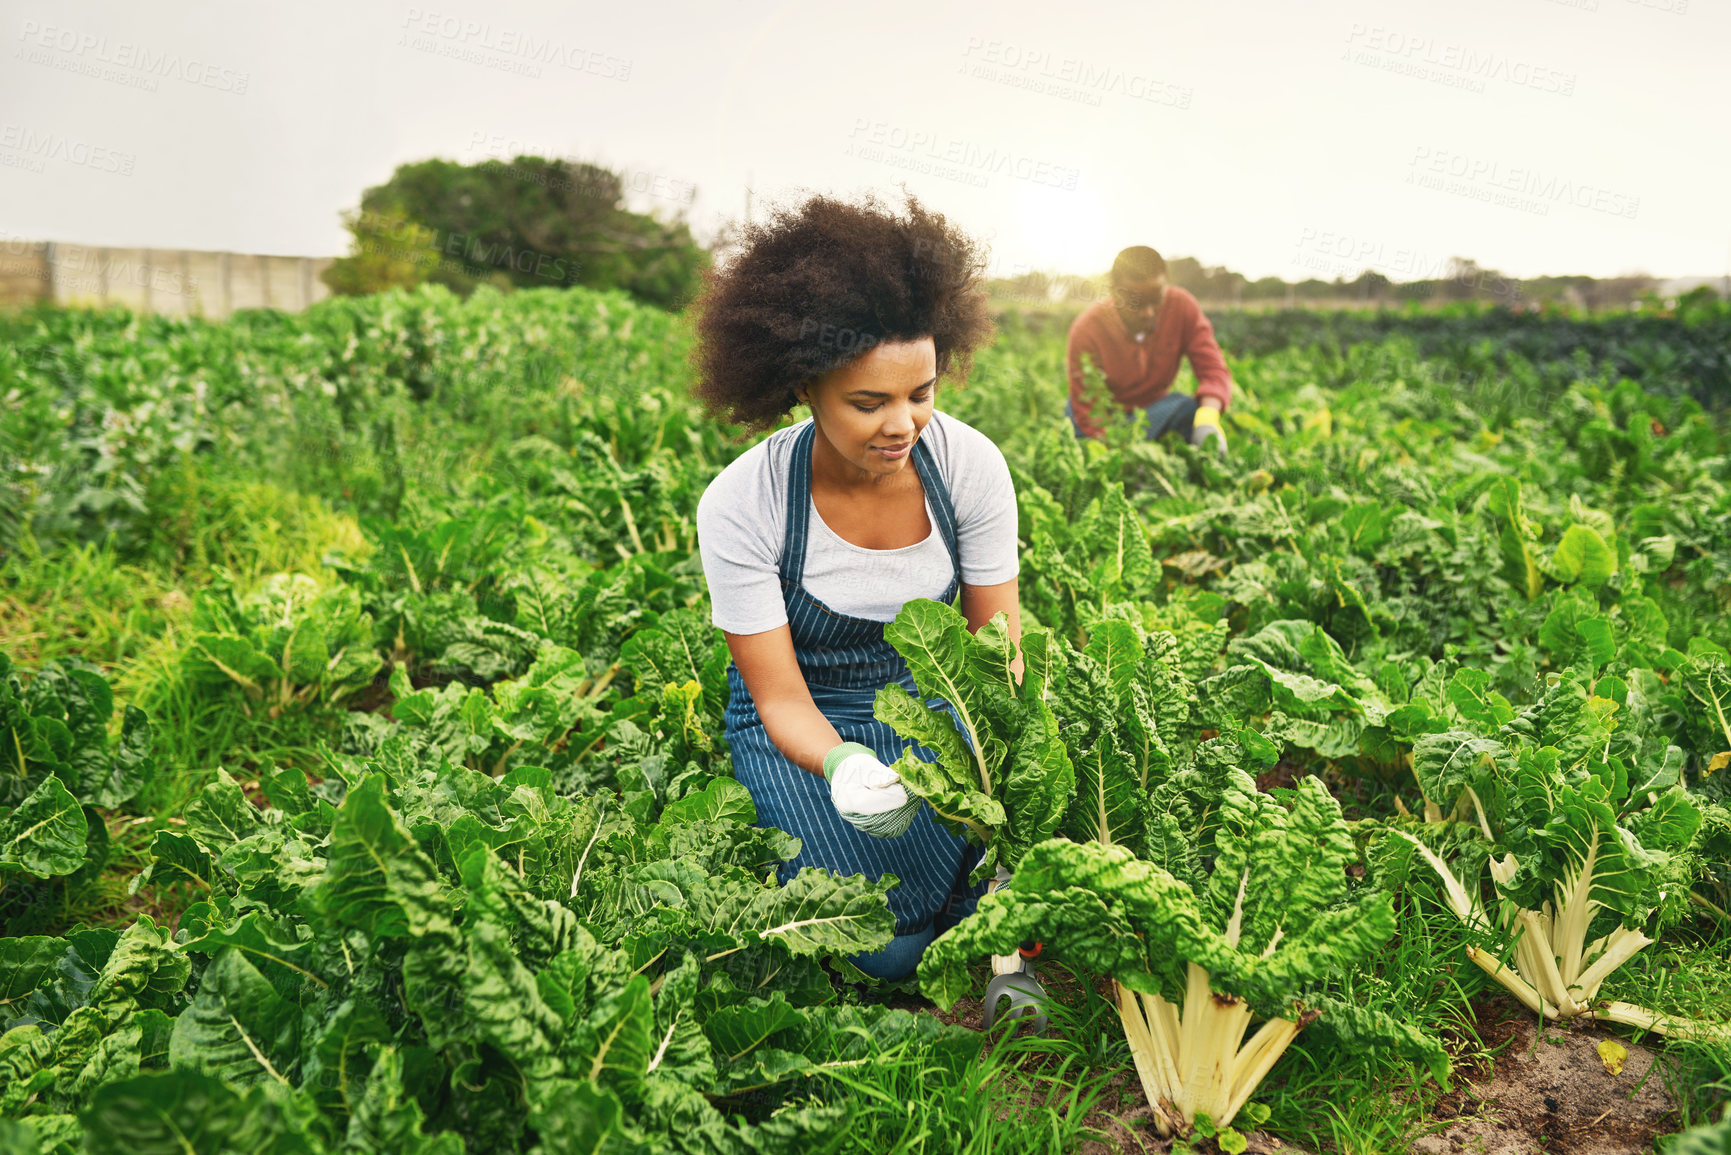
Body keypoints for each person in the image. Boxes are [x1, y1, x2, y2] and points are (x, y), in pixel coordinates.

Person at [691, 193, 1020, 981]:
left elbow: (997, 646)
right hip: (807, 722)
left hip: (931, 701)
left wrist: (1006, 765)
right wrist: (842, 764)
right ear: (804, 387)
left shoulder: (970, 467)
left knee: (998, 902)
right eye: (867, 402)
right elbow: (775, 698)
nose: (902, 423)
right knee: (881, 944)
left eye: (921, 393)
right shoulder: (745, 501)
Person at [1066, 245, 1233, 453]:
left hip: (1153, 411)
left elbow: (1213, 370)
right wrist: (1118, 454)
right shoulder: (1087, 329)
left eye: (1155, 301)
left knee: (1190, 410)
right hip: (1104, 416)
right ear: (1114, 293)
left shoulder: (1182, 307)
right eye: (1136, 304)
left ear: (1166, 286)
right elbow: (1088, 409)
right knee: (1080, 440)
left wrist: (1207, 419)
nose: (1148, 313)